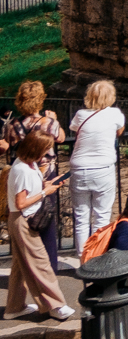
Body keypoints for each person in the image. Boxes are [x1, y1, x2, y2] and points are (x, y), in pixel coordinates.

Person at [5, 131, 70, 321]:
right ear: (36, 149)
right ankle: (56, 306)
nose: (47, 154)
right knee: (41, 264)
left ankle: (14, 308)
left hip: (23, 220)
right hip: (24, 220)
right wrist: (45, 192)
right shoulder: (22, 170)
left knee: (19, 268)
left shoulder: (29, 165)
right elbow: (21, 203)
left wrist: (48, 185)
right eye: (45, 150)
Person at [68, 79, 126, 255]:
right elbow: (119, 132)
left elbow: (74, 129)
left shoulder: (80, 114)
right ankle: (96, 256)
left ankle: (82, 257)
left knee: (81, 217)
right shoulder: (115, 114)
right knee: (101, 215)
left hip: (79, 167)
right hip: (103, 168)